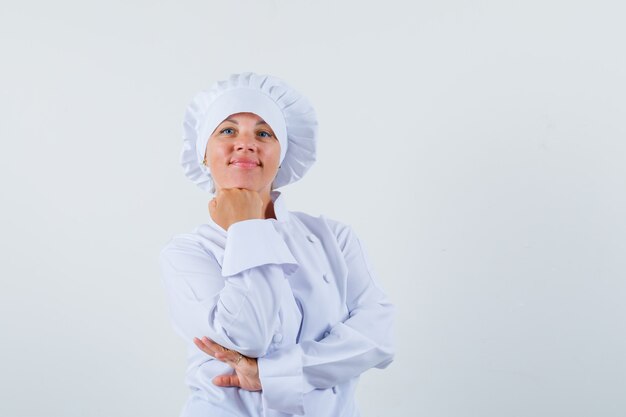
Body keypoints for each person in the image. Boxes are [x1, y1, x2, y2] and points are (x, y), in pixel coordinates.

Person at [160, 72, 394, 417]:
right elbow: (248, 337)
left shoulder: (335, 237)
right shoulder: (186, 253)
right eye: (227, 130)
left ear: (281, 155)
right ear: (203, 154)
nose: (246, 143)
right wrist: (247, 227)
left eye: (263, 133)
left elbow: (377, 338)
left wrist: (268, 373)